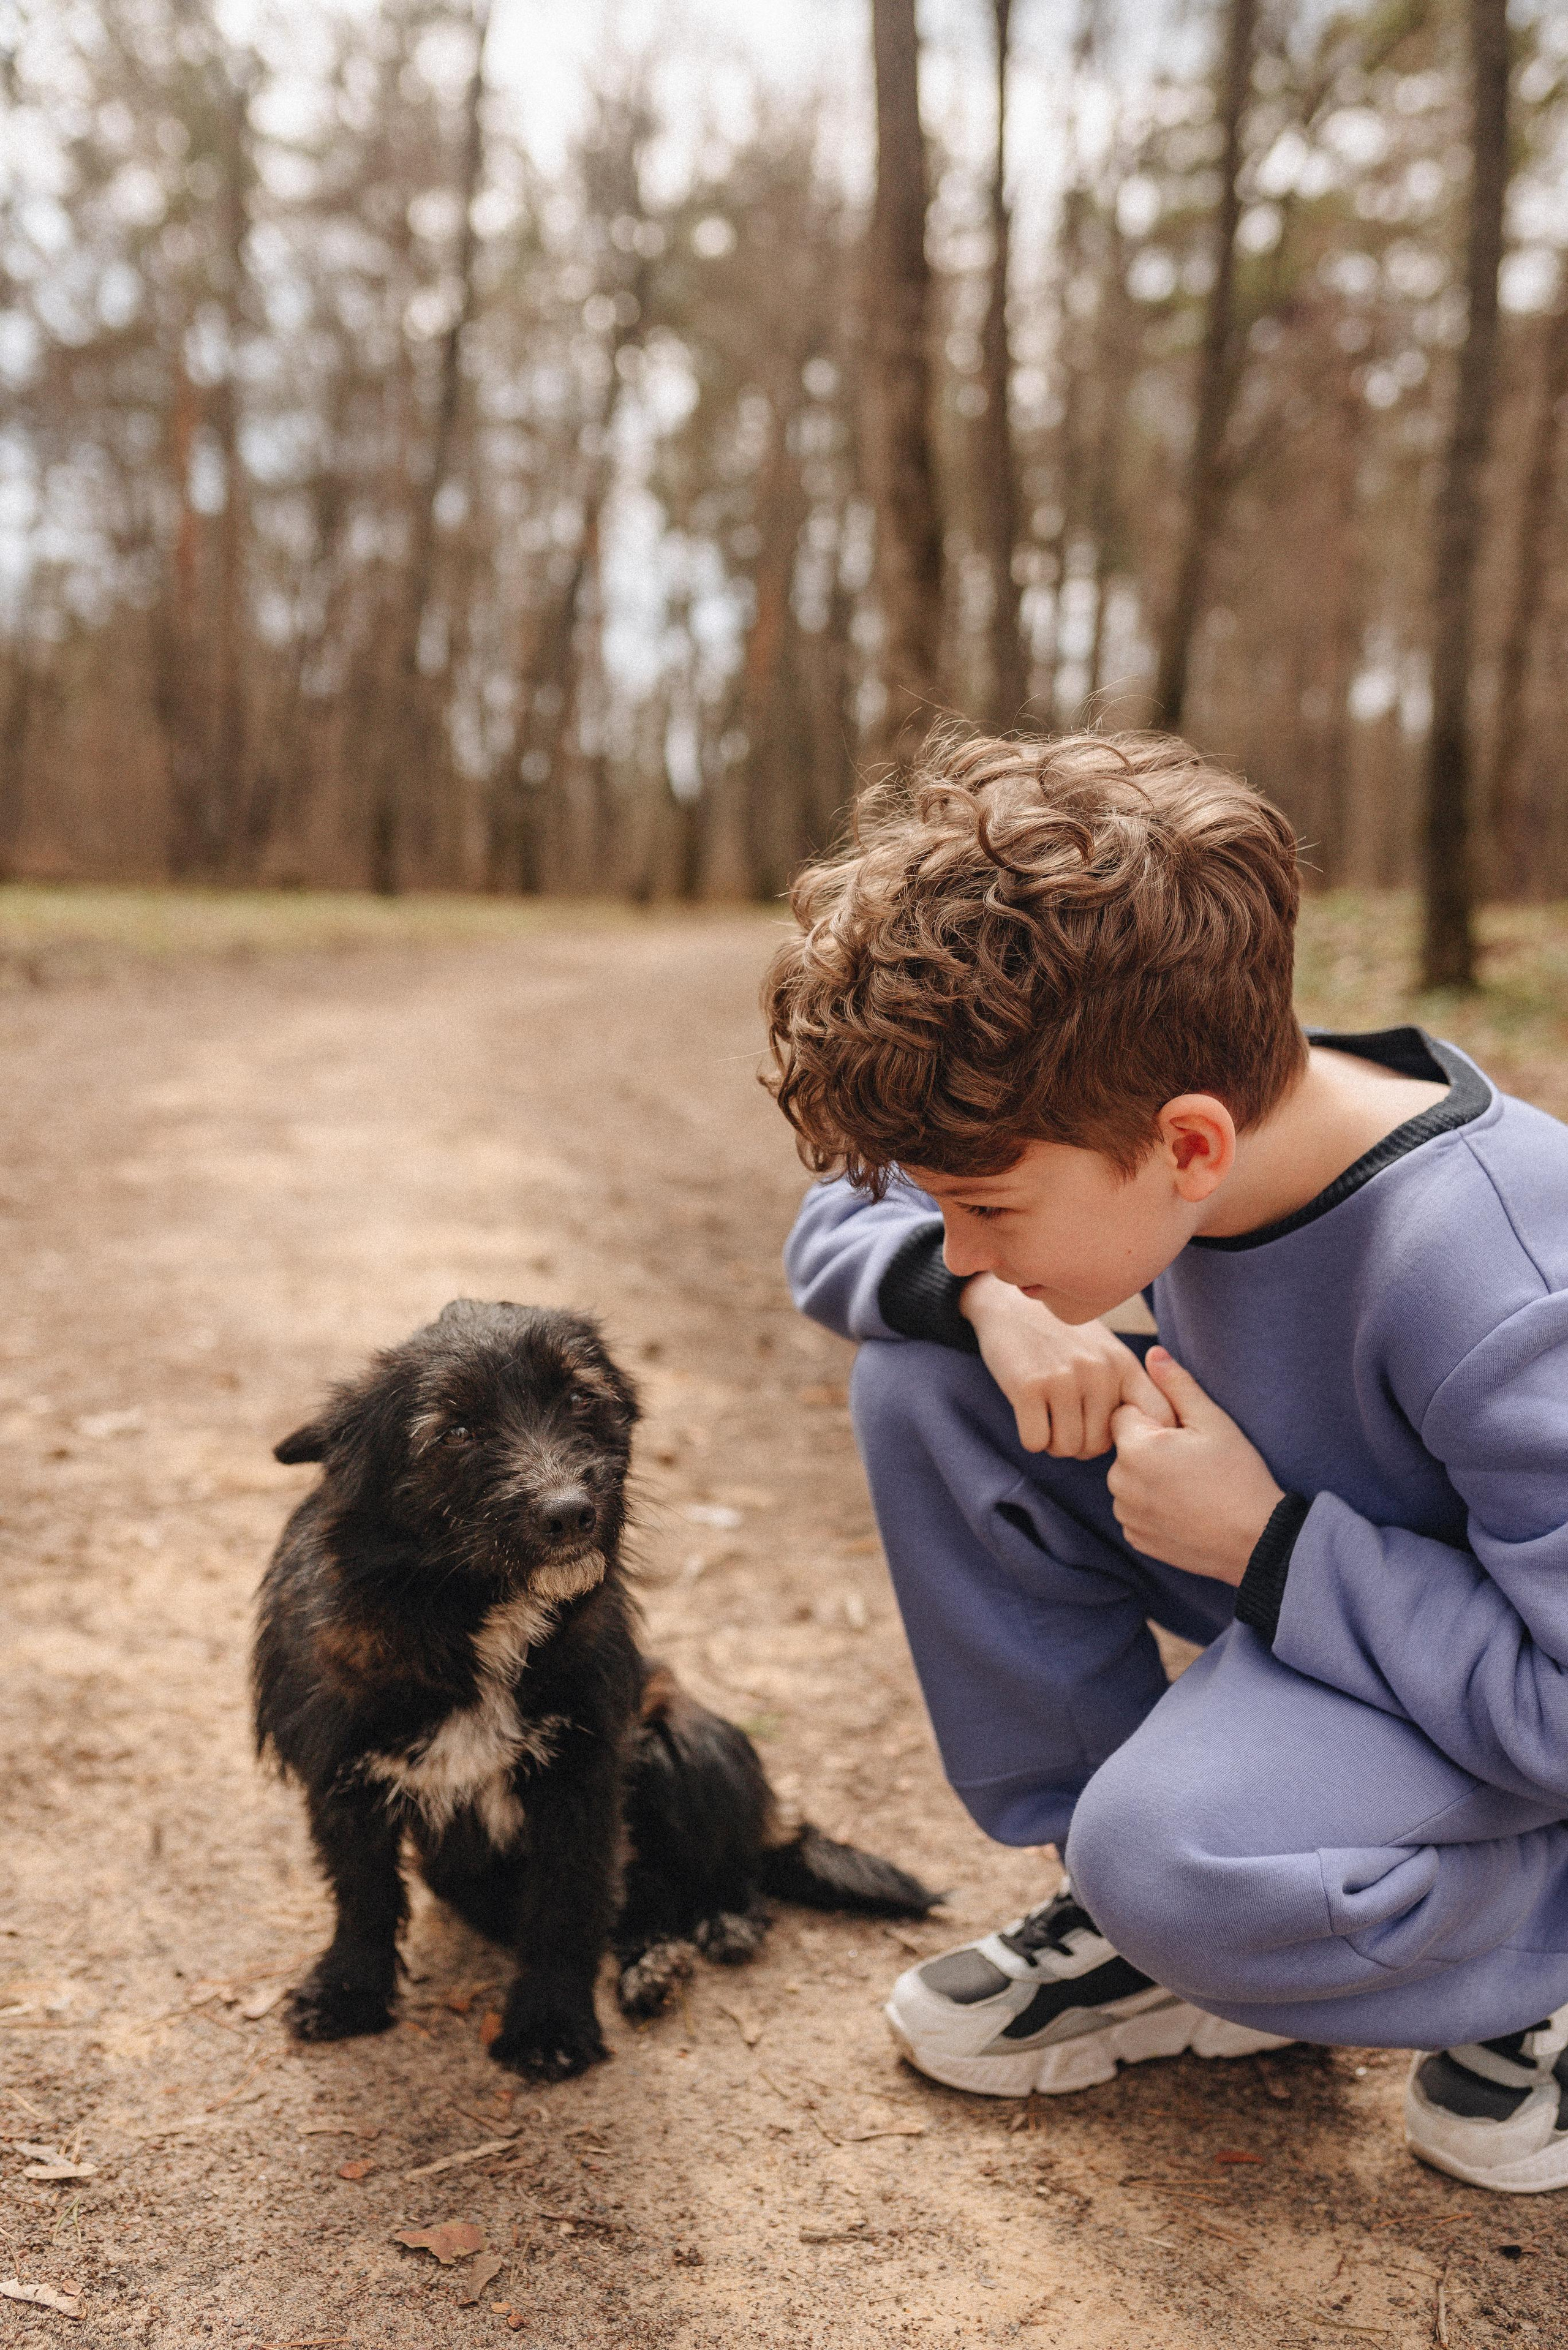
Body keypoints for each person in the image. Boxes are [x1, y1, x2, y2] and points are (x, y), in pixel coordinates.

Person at [761, 729, 1568, 2196]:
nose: (959, 1241)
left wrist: (1264, 1546)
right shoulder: (1161, 1104)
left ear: (1185, 1144)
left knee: (1169, 1851)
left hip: (1501, 1693)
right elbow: (838, 1223)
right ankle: (1159, 1943)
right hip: (1329, 1596)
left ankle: (1512, 1968)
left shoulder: (1508, 1286)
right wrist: (991, 1298)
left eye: (987, 1209)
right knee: (924, 1381)